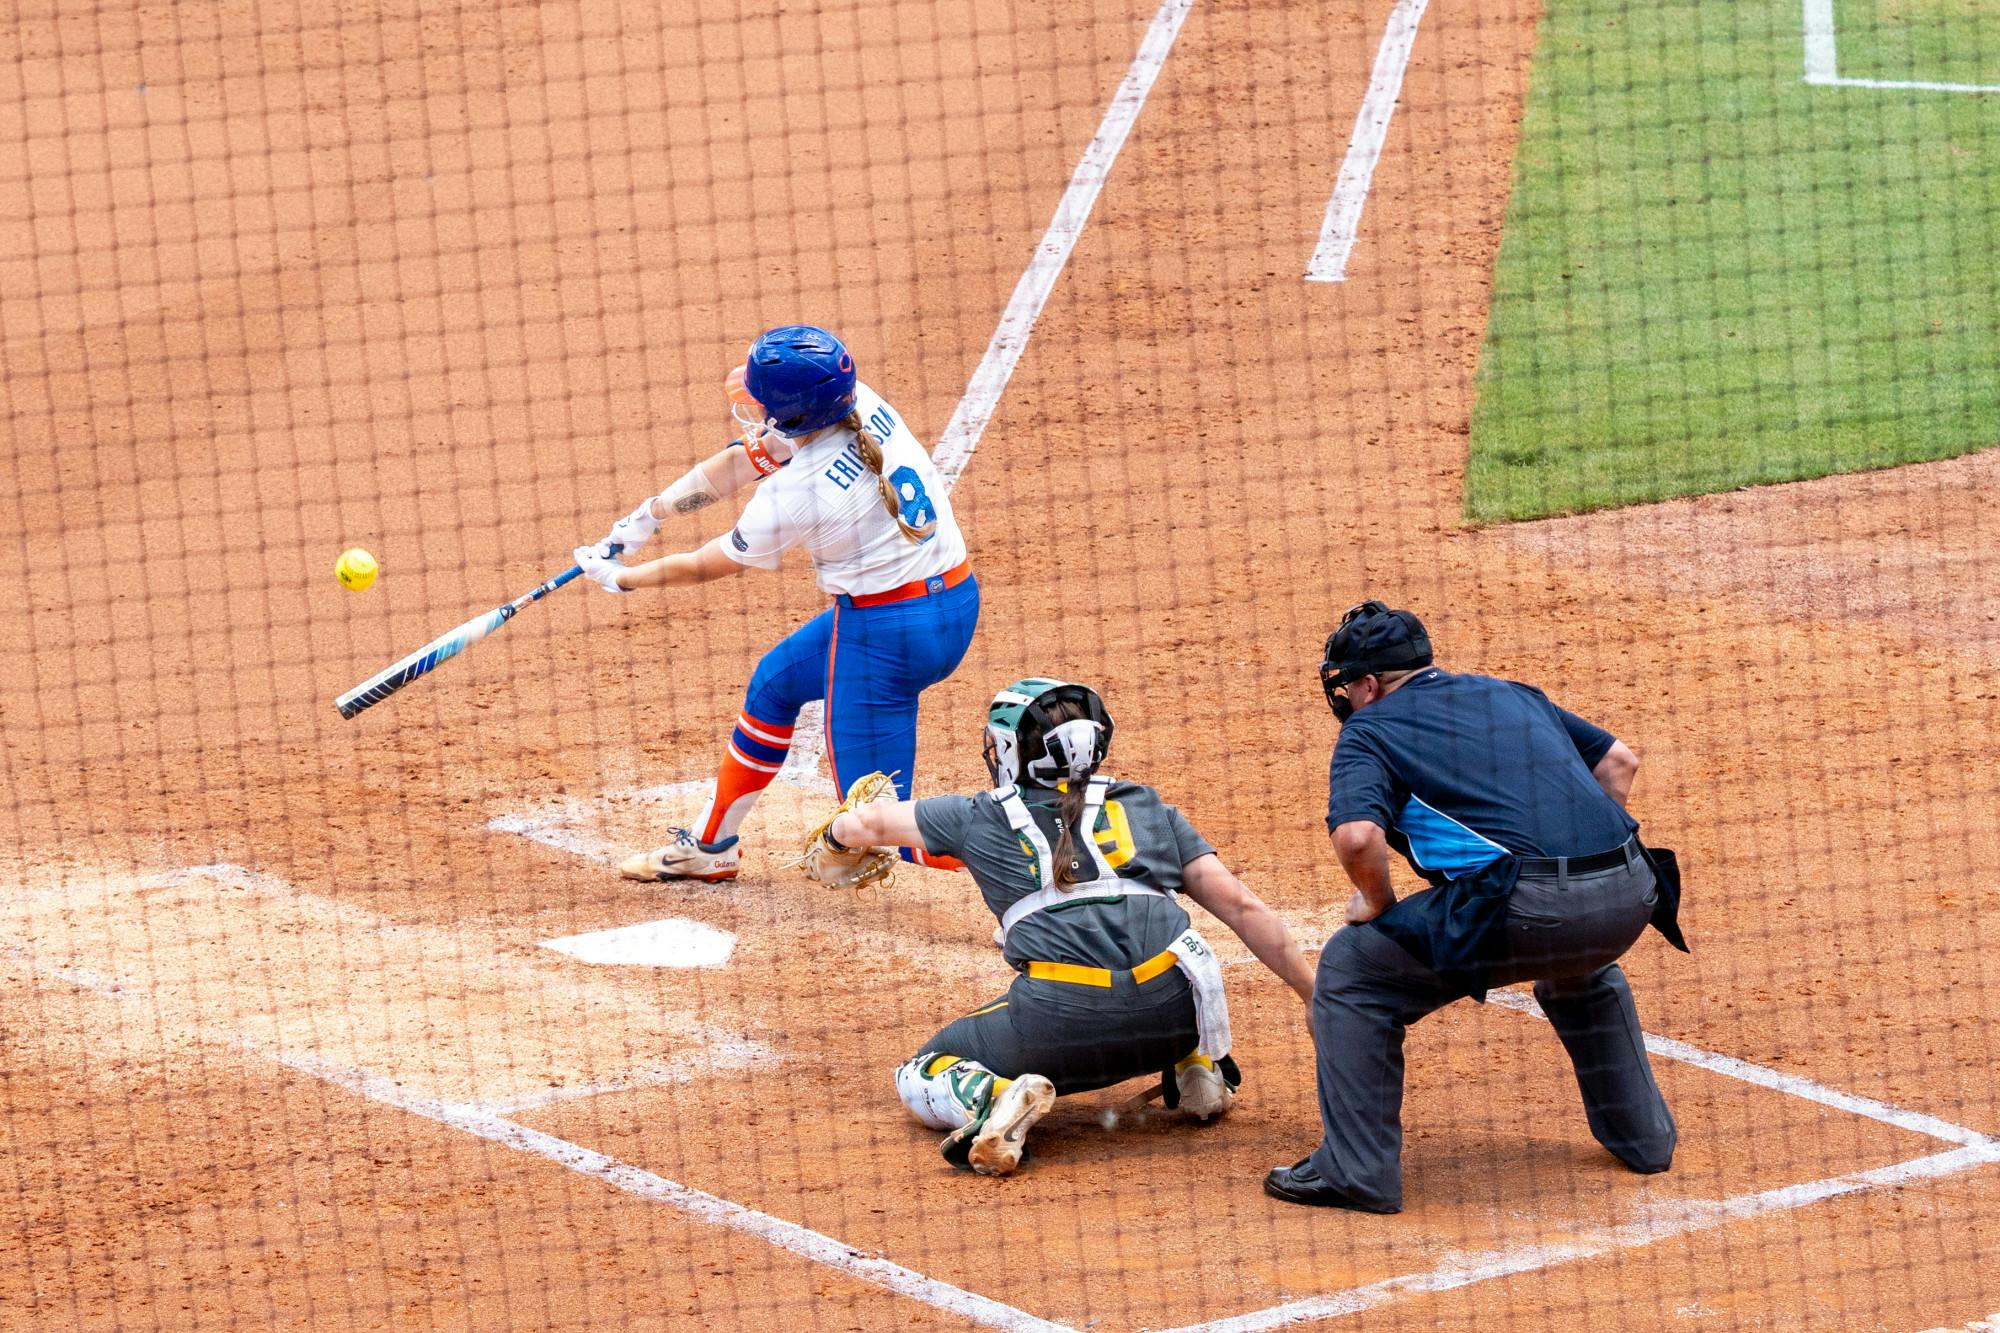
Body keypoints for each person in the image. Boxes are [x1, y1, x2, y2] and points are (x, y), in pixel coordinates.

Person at [798, 678, 1317, 1175]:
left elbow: (863, 824)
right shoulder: (1146, 805)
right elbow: (1245, 909)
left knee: (920, 1069)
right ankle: (1197, 1065)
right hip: (1179, 1011)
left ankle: (997, 1098)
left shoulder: (976, 815)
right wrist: (1315, 997)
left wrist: (836, 840)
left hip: (1062, 1024)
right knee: (1165, 968)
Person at [1265, 601, 1687, 1213]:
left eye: (1347, 685)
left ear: (1367, 684)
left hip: (1533, 908)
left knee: (1353, 968)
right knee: (1578, 968)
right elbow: (1619, 762)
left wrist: (1377, 904)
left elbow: (1357, 837)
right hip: (1632, 890)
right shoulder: (1509, 692)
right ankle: (1646, 1141)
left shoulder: (1369, 729)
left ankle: (1354, 1173)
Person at [574, 325, 977, 882]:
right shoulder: (859, 404)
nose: (754, 407)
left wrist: (623, 578)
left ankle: (1044, 860)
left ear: (792, 414)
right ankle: (712, 849)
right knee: (775, 684)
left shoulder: (797, 494)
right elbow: (741, 462)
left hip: (886, 639)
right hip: (950, 602)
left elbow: (705, 564)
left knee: (879, 825)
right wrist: (649, 515)